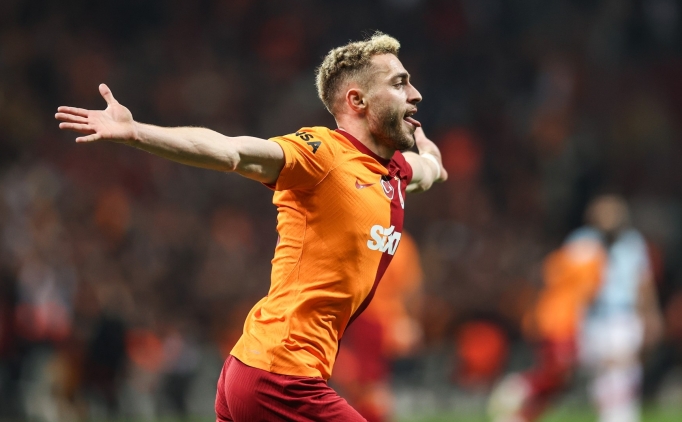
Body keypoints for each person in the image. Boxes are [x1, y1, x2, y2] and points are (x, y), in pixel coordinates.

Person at [56, 32, 447, 421]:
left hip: (255, 368)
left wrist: (432, 158)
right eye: (399, 83)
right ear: (356, 100)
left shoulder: (394, 172)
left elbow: (427, 172)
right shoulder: (323, 153)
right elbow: (232, 151)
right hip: (281, 375)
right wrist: (138, 132)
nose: (415, 94)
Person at [488, 194, 663, 422]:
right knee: (570, 370)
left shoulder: (632, 242)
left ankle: (523, 403)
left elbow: (642, 282)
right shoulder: (583, 243)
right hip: (589, 317)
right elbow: (561, 282)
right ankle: (523, 388)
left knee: (617, 374)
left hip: (622, 314)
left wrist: (650, 314)